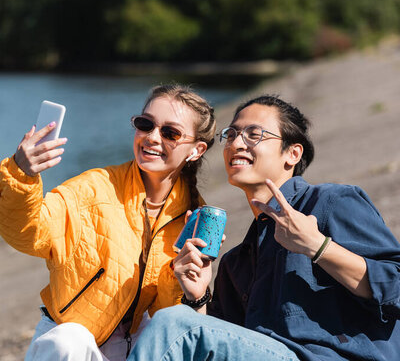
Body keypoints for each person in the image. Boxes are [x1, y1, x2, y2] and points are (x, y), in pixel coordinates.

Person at [127, 95, 400, 361]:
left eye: (254, 134)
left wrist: (318, 247)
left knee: (171, 324)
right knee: (178, 320)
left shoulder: (330, 203)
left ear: (292, 153)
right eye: (231, 134)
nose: (237, 143)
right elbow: (224, 341)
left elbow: (395, 286)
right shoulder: (236, 263)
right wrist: (198, 298)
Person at [0, 84, 217, 360]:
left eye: (170, 133)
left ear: (196, 149)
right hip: (71, 340)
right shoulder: (94, 188)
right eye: (145, 124)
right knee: (68, 340)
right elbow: (28, 232)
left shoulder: (195, 215)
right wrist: (22, 175)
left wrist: (190, 285)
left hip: (135, 342)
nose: (152, 137)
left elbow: (168, 317)